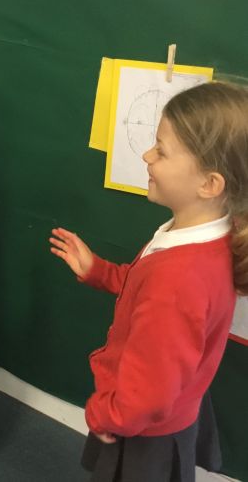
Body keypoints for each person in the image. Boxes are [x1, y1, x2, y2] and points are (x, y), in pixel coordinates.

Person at [50, 82, 248, 482]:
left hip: (142, 432)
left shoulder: (179, 278)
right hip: (168, 414)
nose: (146, 156)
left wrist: (101, 413)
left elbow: (148, 396)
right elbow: (146, 288)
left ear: (209, 184)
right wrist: (100, 271)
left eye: (161, 149)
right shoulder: (202, 235)